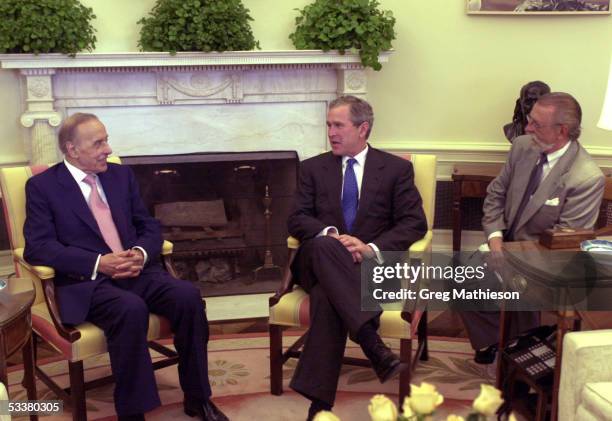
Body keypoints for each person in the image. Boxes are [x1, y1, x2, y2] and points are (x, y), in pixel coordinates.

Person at [23, 113, 228, 421]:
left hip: (137, 271)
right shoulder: (43, 187)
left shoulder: (121, 176)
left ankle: (198, 398)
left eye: (106, 140)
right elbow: (38, 246)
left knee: (188, 297)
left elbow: (149, 225)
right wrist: (98, 263)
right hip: (88, 282)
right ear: (72, 149)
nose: (108, 148)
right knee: (129, 309)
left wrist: (140, 252)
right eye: (99, 143)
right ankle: (132, 412)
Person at [287, 96, 427, 420]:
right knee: (324, 246)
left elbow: (414, 222)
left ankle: (319, 404)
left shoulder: (396, 169)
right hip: (317, 261)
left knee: (327, 297)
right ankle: (370, 341)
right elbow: (296, 218)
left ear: (363, 128)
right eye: (328, 126)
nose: (331, 133)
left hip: (369, 268)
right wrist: (334, 237)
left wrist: (370, 249)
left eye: (338, 126)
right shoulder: (312, 168)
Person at [461, 92, 605, 364]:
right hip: (503, 245)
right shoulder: (522, 146)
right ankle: (498, 342)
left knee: (513, 289)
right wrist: (495, 241)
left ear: (561, 131)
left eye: (536, 124)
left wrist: (509, 260)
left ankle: (520, 350)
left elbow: (564, 245)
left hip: (546, 262)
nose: (527, 128)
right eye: (529, 120)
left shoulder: (586, 177)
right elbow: (496, 195)